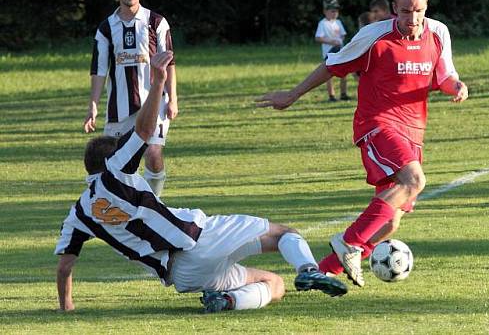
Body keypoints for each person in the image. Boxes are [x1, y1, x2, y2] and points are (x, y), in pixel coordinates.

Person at [56, 51, 347, 314]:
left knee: (274, 284)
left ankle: (227, 301)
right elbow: (144, 131)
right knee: (284, 234)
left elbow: (65, 265)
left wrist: (66, 306)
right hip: (200, 239)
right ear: (111, 158)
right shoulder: (116, 170)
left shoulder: (78, 213)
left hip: (181, 275)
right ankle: (309, 269)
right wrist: (157, 82)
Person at [256, 0, 469, 287]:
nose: (413, 19)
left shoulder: (438, 32)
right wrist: (292, 95)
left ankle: (319, 272)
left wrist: (457, 86)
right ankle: (348, 242)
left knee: (390, 222)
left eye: (418, 11)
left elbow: (445, 74)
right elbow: (332, 65)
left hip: (413, 132)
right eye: (406, 11)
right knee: (415, 181)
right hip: (377, 124)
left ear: (427, 7)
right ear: (394, 9)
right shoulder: (374, 36)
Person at [83, 0, 177, 197]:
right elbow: (99, 69)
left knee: (153, 154)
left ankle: (155, 204)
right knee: (115, 162)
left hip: (154, 103)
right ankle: (114, 206)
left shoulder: (156, 22)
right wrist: (93, 104)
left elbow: (170, 63)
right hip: (119, 108)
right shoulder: (106, 28)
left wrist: (173, 98)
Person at [315, 0, 350, 101]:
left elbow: (343, 35)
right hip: (329, 52)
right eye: (332, 11)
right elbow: (318, 38)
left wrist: (340, 40)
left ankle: (343, 93)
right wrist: (331, 41)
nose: (335, 13)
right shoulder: (323, 23)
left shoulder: (338, 22)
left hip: (340, 51)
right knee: (329, 74)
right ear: (325, 11)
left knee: (344, 72)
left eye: (336, 11)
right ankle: (332, 95)